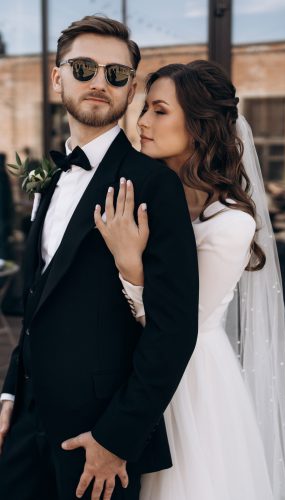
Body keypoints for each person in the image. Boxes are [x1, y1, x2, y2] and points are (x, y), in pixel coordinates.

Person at [0, 17, 199, 500]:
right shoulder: (49, 173)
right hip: (25, 426)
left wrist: (117, 437)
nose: (98, 82)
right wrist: (9, 392)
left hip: (98, 441)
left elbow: (174, 330)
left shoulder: (155, 186)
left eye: (116, 74)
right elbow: (37, 298)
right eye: (85, 67)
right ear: (57, 77)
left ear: (131, 89)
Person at [94, 61, 285, 499]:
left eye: (159, 111)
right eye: (144, 108)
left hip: (188, 381)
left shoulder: (230, 225)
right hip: (131, 369)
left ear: (199, 126)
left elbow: (175, 322)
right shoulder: (149, 196)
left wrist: (130, 265)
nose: (143, 122)